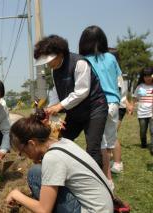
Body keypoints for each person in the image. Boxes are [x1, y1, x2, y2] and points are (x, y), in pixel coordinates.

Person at [6, 113, 113, 213]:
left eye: (23, 152)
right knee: (38, 171)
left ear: (31, 144)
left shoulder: (52, 158)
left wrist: (16, 195)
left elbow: (44, 210)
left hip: (93, 210)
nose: (26, 156)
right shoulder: (64, 142)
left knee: (35, 174)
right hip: (105, 206)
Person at [34, 34, 108, 167]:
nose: (48, 64)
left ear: (60, 53)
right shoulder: (54, 70)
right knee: (60, 139)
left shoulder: (79, 63)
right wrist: (52, 110)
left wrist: (59, 107)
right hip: (75, 110)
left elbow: (82, 92)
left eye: (49, 60)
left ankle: (98, 182)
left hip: (95, 108)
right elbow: (57, 92)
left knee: (93, 148)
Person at [79, 25, 122, 190]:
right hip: (114, 104)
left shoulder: (84, 61)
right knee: (109, 142)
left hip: (99, 105)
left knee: (100, 145)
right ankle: (111, 169)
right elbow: (119, 80)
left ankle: (107, 180)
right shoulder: (111, 58)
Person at [109, 48, 133, 173]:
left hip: (117, 107)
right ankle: (112, 159)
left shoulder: (114, 73)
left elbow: (117, 93)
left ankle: (118, 163)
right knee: (111, 135)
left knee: (112, 135)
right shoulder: (114, 72)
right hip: (117, 106)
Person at [132, 67, 153, 155]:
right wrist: (131, 107)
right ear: (143, 77)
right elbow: (135, 98)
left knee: (152, 130)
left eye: (149, 76)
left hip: (152, 112)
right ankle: (143, 143)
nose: (147, 78)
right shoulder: (140, 87)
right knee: (143, 131)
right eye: (145, 76)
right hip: (142, 112)